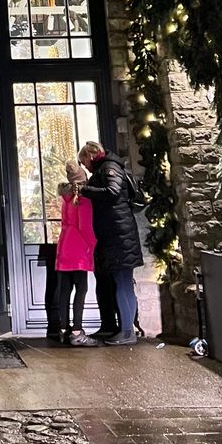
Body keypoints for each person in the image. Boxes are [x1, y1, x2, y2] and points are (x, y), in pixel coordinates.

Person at [78, 141, 143, 346]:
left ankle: (126, 331)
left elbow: (113, 192)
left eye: (84, 162)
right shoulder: (107, 167)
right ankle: (117, 328)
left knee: (123, 284)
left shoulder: (109, 168)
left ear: (91, 156)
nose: (84, 167)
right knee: (119, 283)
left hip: (119, 236)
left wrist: (85, 190)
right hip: (115, 235)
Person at [55, 159, 98, 347]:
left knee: (64, 290)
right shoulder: (84, 200)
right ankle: (77, 330)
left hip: (64, 247)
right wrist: (94, 244)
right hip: (80, 249)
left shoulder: (65, 198)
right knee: (81, 290)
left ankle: (63, 329)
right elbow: (86, 227)